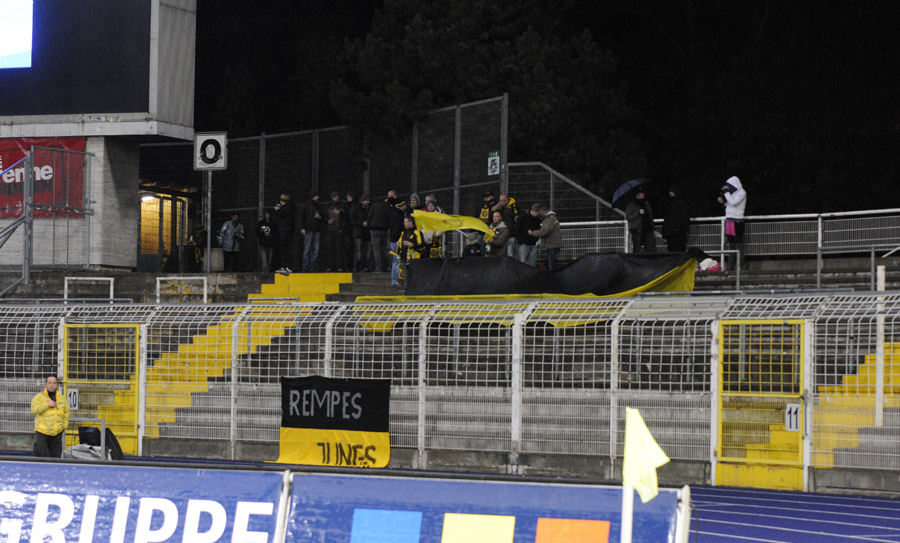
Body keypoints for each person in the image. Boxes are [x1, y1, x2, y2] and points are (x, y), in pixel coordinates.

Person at [31, 375, 69, 458]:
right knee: (41, 456)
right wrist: (46, 404)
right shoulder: (39, 397)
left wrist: (64, 425)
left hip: (57, 432)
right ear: (45, 385)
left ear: (57, 385)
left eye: (54, 383)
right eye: (50, 383)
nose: (52, 385)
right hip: (42, 432)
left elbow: (66, 412)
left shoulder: (62, 399)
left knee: (56, 458)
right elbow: (34, 410)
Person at [718, 176, 748, 271]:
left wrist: (726, 194)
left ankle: (740, 267)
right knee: (731, 244)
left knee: (738, 245)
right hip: (730, 221)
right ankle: (730, 267)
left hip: (737, 221)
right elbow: (730, 204)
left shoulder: (742, 192)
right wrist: (723, 202)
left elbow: (734, 203)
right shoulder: (733, 193)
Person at [366, 189, 395, 274]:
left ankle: (379, 268)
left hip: (375, 229)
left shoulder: (375, 205)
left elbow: (369, 216)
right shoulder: (388, 206)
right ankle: (394, 263)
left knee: (376, 250)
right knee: (386, 249)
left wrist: (369, 225)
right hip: (384, 230)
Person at [529, 203, 562, 270]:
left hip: (553, 245)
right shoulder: (550, 218)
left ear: (542, 211)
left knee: (551, 265)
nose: (538, 214)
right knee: (550, 264)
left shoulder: (550, 219)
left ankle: (553, 279)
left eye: (539, 212)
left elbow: (544, 231)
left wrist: (532, 233)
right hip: (552, 245)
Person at [397, 215, 427, 285]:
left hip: (414, 258)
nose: (404, 224)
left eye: (405, 222)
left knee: (414, 276)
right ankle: (406, 291)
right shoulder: (403, 232)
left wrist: (411, 245)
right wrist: (399, 253)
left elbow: (422, 246)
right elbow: (399, 244)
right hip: (404, 257)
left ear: (411, 222)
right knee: (406, 276)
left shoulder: (417, 232)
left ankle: (414, 291)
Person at [299, 190, 324, 272]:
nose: (318, 197)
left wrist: (320, 217)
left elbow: (323, 217)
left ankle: (312, 267)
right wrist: (302, 228)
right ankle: (305, 267)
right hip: (309, 229)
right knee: (308, 249)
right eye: (316, 196)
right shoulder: (306, 206)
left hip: (316, 229)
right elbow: (302, 217)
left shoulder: (318, 206)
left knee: (314, 249)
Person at [625, 187, 655, 253]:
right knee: (637, 249)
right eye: (642, 193)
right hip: (637, 230)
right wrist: (638, 213)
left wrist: (652, 226)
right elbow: (629, 217)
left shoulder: (646, 203)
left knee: (651, 249)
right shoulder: (631, 205)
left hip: (648, 229)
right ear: (637, 194)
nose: (644, 194)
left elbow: (650, 215)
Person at [662, 185, 691, 252]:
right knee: (673, 250)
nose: (670, 194)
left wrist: (679, 229)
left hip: (678, 233)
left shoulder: (681, 203)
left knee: (678, 250)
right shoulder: (670, 203)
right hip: (672, 233)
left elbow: (684, 218)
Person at [323, 191, 345, 271]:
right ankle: (330, 266)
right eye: (335, 197)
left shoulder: (342, 206)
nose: (336, 198)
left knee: (338, 249)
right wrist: (327, 221)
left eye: (337, 196)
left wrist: (340, 212)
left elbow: (345, 217)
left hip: (338, 230)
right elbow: (324, 217)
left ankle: (339, 266)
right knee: (330, 249)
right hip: (329, 230)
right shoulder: (328, 206)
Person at [274, 193, 295, 274]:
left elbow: (281, 215)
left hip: (286, 230)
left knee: (285, 249)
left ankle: (287, 267)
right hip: (285, 230)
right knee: (284, 249)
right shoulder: (288, 207)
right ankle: (284, 266)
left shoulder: (288, 208)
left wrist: (278, 209)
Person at [387, 197, 406, 285]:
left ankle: (394, 279)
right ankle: (394, 280)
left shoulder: (393, 213)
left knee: (395, 260)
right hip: (397, 240)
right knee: (396, 261)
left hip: (393, 239)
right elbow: (398, 229)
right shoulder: (399, 215)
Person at [351, 194, 371, 272]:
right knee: (359, 251)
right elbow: (352, 220)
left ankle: (365, 266)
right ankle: (357, 266)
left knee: (367, 252)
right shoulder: (356, 209)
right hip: (359, 233)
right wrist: (361, 223)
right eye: (366, 200)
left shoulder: (368, 209)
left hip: (366, 233)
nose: (368, 202)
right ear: (362, 201)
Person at [342, 192, 356, 271]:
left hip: (349, 230)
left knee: (349, 248)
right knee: (352, 249)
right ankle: (351, 266)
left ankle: (349, 266)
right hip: (351, 229)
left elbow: (346, 218)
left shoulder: (348, 207)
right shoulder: (352, 206)